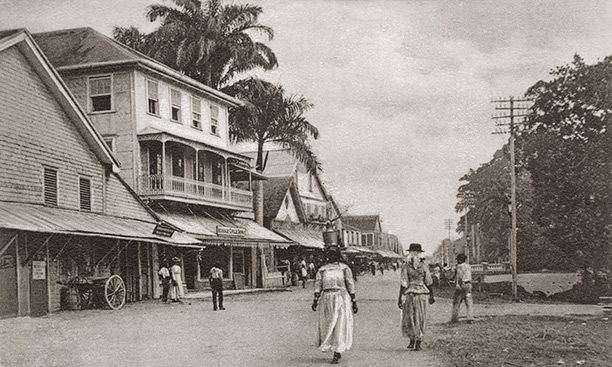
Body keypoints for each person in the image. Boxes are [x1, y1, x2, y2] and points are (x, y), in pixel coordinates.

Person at [312, 246, 358, 364]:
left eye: (333, 254)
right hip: (327, 299)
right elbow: (318, 284)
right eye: (329, 254)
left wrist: (354, 301)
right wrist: (315, 299)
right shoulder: (322, 270)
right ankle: (332, 346)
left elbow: (350, 284)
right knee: (328, 325)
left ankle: (337, 351)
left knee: (340, 324)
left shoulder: (344, 268)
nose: (331, 256)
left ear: (338, 255)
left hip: (341, 298)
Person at [398, 243, 434, 351]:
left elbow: (403, 283)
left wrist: (400, 297)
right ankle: (417, 341)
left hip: (410, 293)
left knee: (410, 317)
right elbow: (429, 282)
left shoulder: (406, 266)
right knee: (420, 317)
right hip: (422, 294)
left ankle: (413, 340)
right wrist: (431, 295)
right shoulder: (424, 266)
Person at [451, 254, 474, 323]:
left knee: (456, 301)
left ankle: (455, 318)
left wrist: (457, 284)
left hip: (462, 284)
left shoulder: (459, 266)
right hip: (469, 284)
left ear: (460, 260)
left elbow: (459, 276)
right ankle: (470, 318)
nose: (457, 261)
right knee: (469, 301)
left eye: (457, 259)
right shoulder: (468, 266)